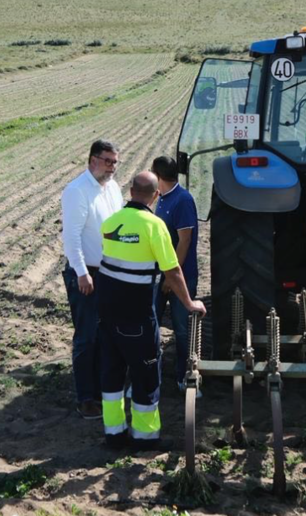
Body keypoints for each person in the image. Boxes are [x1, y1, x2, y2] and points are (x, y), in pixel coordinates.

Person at [96, 171, 206, 448]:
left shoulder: (111, 222)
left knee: (112, 373)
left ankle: (114, 433)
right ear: (156, 196)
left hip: (108, 312)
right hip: (137, 314)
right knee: (145, 374)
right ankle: (144, 438)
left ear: (131, 191)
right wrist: (190, 303)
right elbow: (173, 271)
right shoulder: (154, 226)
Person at [60, 140, 124, 420]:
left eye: (115, 162)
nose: (112, 167)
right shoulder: (77, 191)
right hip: (86, 273)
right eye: (108, 161)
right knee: (86, 337)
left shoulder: (112, 188)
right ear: (93, 159)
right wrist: (82, 273)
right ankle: (86, 398)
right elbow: (71, 237)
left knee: (106, 334)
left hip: (109, 272)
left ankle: (103, 390)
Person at [150, 155, 199, 392]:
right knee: (151, 325)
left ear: (158, 176)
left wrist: (171, 277)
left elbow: (184, 240)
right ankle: (149, 375)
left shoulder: (182, 200)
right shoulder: (161, 199)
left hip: (181, 277)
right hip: (160, 277)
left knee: (182, 328)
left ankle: (184, 376)